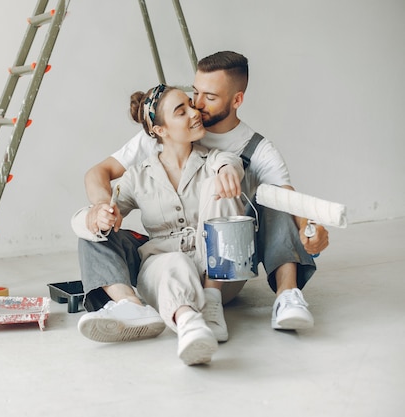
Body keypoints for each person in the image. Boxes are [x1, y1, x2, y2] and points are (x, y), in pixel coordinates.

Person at [77, 51, 330, 344]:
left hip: (227, 262)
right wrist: (100, 209)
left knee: (270, 198)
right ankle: (129, 304)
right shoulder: (161, 133)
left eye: (209, 97)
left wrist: (309, 227)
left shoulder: (256, 149)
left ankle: (287, 295)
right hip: (172, 257)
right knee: (94, 230)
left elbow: (287, 196)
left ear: (236, 101)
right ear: (160, 130)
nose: (196, 106)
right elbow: (99, 172)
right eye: (194, 93)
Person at [71, 84, 245, 365]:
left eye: (191, 104)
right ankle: (189, 325)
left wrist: (227, 171)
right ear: (160, 131)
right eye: (182, 111)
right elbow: (103, 211)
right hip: (165, 269)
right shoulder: (137, 176)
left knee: (218, 185)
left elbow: (229, 162)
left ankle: (210, 301)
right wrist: (98, 214)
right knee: (166, 262)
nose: (194, 112)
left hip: (220, 275)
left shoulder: (213, 159)